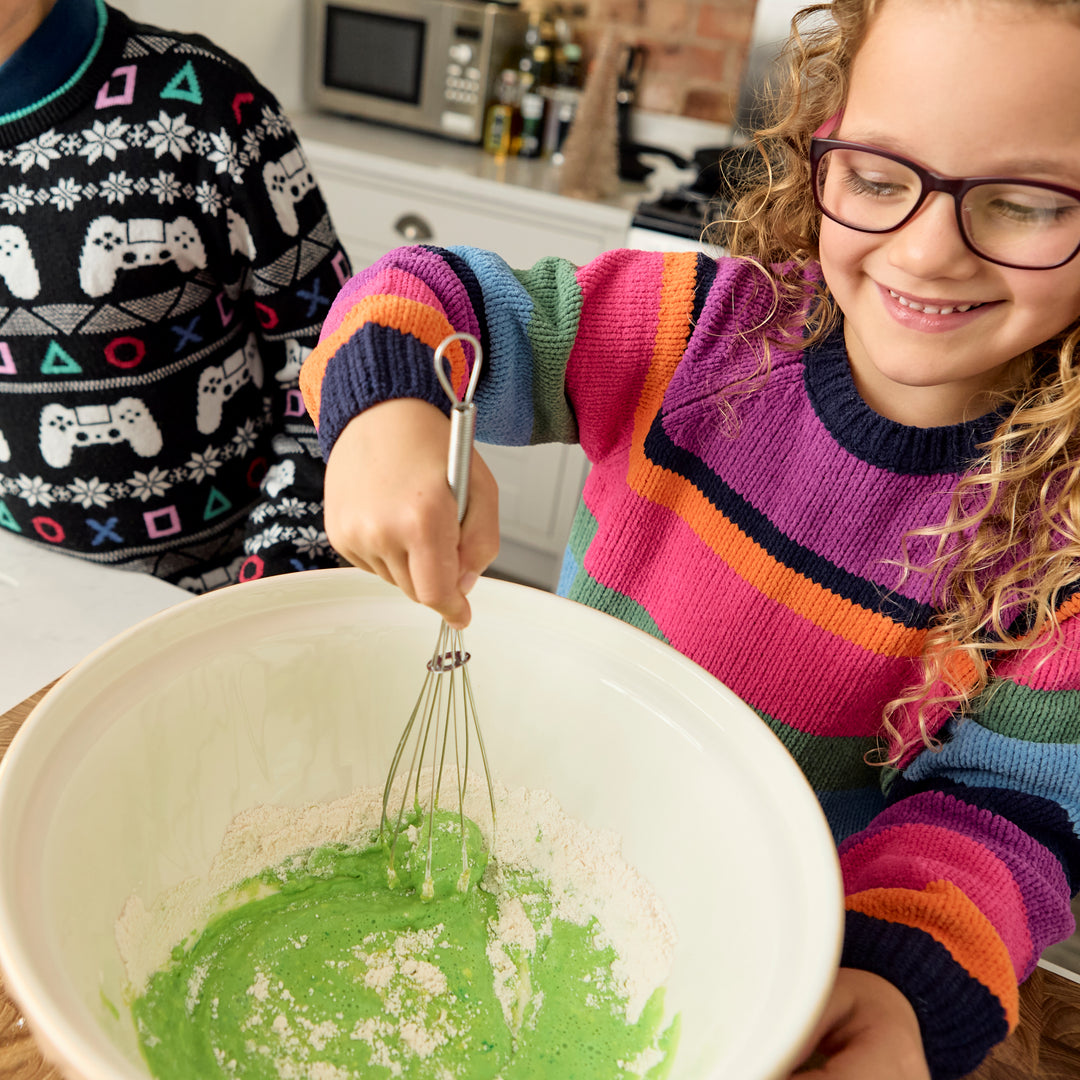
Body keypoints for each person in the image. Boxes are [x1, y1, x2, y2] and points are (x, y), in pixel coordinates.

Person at [299, 0, 1080, 1077]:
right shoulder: (700, 334)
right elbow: (423, 293)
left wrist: (899, 988)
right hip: (531, 830)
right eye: (876, 178)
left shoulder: (1059, 538)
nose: (928, 249)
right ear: (821, 150)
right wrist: (388, 418)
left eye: (1027, 203)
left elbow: (1004, 819)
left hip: (753, 958)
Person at [0, 0, 351, 592]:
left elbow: (334, 367)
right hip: (22, 604)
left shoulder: (206, 107)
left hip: (219, 594)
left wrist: (272, 584)